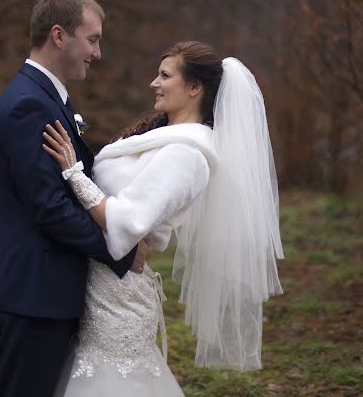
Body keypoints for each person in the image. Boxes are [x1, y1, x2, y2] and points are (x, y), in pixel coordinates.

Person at [42, 40, 284, 396]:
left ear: (194, 87)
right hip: (99, 281)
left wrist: (73, 173)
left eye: (165, 75)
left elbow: (126, 221)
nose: (154, 83)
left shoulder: (187, 156)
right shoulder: (159, 137)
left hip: (119, 294)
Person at [0, 0, 148, 397]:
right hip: (36, 295)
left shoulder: (45, 97)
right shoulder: (30, 105)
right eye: (92, 39)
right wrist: (120, 248)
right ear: (59, 35)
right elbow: (49, 207)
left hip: (50, 292)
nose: (97, 53)